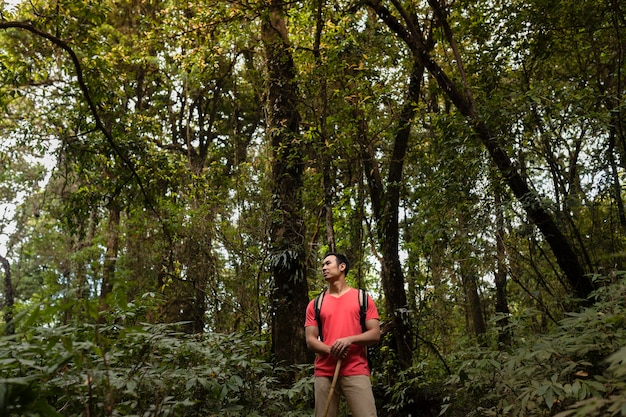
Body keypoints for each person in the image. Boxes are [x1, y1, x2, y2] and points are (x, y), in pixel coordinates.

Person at [304, 252, 381, 417]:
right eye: (322, 265)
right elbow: (310, 340)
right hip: (324, 372)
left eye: (328, 263)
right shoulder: (315, 304)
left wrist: (349, 340)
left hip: (356, 369)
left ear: (342, 267)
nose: (323, 268)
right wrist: (331, 349)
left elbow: (375, 334)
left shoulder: (362, 298)